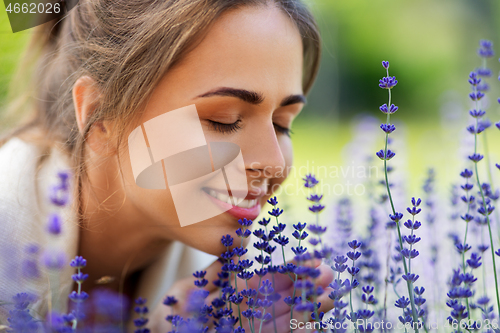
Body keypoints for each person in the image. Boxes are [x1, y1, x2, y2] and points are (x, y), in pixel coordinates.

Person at [0, 0, 333, 331]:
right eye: (224, 120)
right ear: (101, 118)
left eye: (282, 124)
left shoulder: (222, 297)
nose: (273, 163)